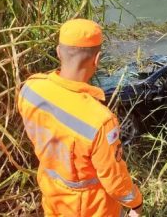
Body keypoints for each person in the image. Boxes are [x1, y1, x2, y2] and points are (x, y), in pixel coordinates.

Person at [17, 19, 143, 217]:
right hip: (89, 208)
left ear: (59, 52)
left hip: (52, 195)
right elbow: (114, 180)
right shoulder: (100, 121)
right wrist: (136, 202)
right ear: (97, 58)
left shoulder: (31, 88)